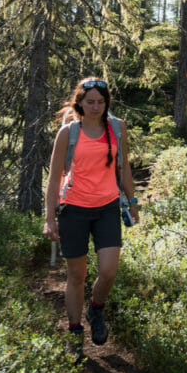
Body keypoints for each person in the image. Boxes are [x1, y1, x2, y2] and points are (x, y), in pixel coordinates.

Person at [43, 77, 139, 358]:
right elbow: (53, 179)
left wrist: (132, 201)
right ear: (80, 103)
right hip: (73, 209)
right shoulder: (68, 134)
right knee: (77, 275)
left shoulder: (117, 129)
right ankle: (74, 331)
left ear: (107, 102)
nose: (96, 107)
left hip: (107, 207)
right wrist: (49, 218)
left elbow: (123, 168)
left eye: (100, 102)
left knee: (108, 271)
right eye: (90, 102)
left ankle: (95, 309)